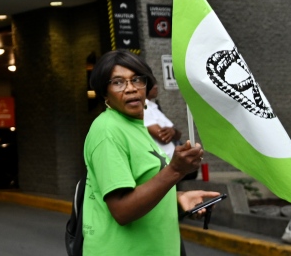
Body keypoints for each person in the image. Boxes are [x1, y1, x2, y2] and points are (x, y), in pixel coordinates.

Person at [83, 51, 220, 256]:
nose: (130, 88)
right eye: (118, 82)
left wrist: (178, 197)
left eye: (137, 79)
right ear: (105, 92)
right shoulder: (107, 130)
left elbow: (143, 186)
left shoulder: (137, 126)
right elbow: (122, 210)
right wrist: (175, 170)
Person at [144, 85, 181, 160]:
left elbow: (178, 134)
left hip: (171, 161)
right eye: (152, 84)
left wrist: (173, 132)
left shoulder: (153, 106)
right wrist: (173, 132)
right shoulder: (143, 108)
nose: (156, 86)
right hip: (161, 164)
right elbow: (164, 138)